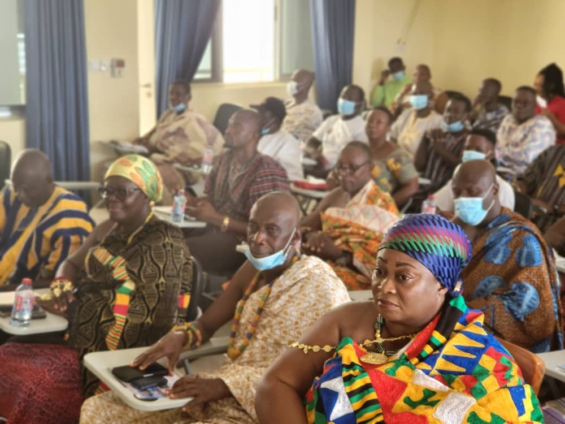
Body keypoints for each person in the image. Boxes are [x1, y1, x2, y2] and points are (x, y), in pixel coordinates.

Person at [79, 191, 350, 424]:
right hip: (220, 390)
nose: (258, 238)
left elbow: (319, 371)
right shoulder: (251, 270)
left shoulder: (319, 285)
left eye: (272, 230)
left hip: (264, 408)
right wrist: (181, 337)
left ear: (296, 237)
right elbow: (206, 324)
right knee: (97, 410)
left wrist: (224, 386)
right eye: (253, 227)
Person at [256, 214, 542, 423]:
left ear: (443, 285)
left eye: (403, 277)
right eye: (380, 271)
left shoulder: (482, 361)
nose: (385, 286)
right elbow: (275, 383)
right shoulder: (346, 321)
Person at [0, 155, 192, 424]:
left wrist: (72, 309)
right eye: (107, 190)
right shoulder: (108, 228)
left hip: (120, 352)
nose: (111, 198)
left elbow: (146, 318)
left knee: (33, 379)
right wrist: (62, 287)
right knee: (6, 353)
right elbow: (70, 262)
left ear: (147, 194)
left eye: (122, 191)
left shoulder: (165, 243)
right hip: (80, 333)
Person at [452, 160, 562, 352]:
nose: (463, 198)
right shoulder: (455, 229)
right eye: (457, 192)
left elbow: (528, 311)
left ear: (494, 190)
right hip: (453, 329)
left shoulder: (522, 239)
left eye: (472, 191)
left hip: (498, 348)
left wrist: (452, 314)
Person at [185, 110, 290, 274]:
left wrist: (215, 218)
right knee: (165, 235)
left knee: (180, 250)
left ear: (254, 135)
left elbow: (266, 230)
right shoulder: (224, 159)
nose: (228, 131)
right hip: (214, 231)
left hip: (245, 245)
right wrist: (193, 202)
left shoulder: (266, 171)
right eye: (229, 125)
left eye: (236, 126)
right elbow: (212, 198)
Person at [301, 142, 399, 290]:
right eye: (340, 166)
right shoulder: (337, 194)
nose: (343, 173)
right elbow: (302, 227)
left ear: (370, 168)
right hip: (321, 263)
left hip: (357, 280)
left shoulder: (382, 203)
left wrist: (340, 255)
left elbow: (386, 265)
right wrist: (311, 237)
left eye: (352, 168)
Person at [0, 149, 93, 289]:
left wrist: (4, 290)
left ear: (49, 180)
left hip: (20, 292)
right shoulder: (14, 197)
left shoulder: (69, 215)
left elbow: (60, 280)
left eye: (26, 189)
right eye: (16, 187)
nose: (20, 195)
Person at [133, 80, 224, 202]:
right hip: (158, 156)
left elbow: (200, 149)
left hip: (180, 166)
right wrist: (143, 140)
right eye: (171, 93)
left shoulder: (193, 120)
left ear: (188, 97)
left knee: (151, 178)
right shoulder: (168, 115)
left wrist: (158, 148)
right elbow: (155, 132)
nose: (173, 97)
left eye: (178, 94)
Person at [434, 129, 515, 216]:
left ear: (490, 155)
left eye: (478, 150)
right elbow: (434, 206)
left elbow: (504, 219)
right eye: (467, 148)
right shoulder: (458, 182)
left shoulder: (503, 188)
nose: (471, 153)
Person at [412, 94, 471, 210]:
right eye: (448, 110)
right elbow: (418, 165)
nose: (450, 115)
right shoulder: (438, 135)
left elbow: (463, 169)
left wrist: (441, 150)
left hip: (445, 196)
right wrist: (424, 139)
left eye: (456, 112)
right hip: (423, 189)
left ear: (466, 116)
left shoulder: (469, 140)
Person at [304, 85, 368, 178]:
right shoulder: (331, 120)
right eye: (343, 96)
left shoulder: (362, 128)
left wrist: (325, 173)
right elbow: (311, 142)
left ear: (359, 105)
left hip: (339, 175)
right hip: (318, 166)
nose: (344, 101)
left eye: (349, 99)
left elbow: (355, 163)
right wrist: (314, 153)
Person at [496, 86, 555, 174]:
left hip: (526, 177)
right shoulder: (508, 119)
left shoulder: (542, 125)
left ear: (534, 105)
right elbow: (497, 145)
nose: (519, 106)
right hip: (500, 170)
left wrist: (501, 152)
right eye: (516, 102)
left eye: (525, 103)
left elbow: (527, 157)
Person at [515, 144, 565, 232]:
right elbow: (526, 180)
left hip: (556, 234)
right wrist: (522, 199)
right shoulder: (553, 152)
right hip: (527, 224)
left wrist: (552, 208)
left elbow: (550, 208)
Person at [252, 96, 303, 181]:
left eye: (262, 114)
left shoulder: (288, 143)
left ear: (274, 120)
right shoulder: (254, 136)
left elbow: (293, 179)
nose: (257, 117)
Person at [388, 80, 444, 156]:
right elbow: (392, 135)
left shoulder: (438, 121)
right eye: (414, 94)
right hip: (396, 157)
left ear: (430, 95)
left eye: (421, 93)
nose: (417, 97)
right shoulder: (406, 113)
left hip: (417, 161)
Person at [282, 69, 323, 142]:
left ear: (305, 85)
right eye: (291, 80)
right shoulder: (286, 105)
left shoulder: (312, 111)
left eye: (295, 81)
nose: (291, 84)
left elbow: (314, 139)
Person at [534, 63, 565, 144]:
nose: (536, 89)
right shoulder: (534, 102)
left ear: (551, 86)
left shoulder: (561, 104)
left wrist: (552, 119)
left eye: (540, 85)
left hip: (556, 147)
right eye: (535, 84)